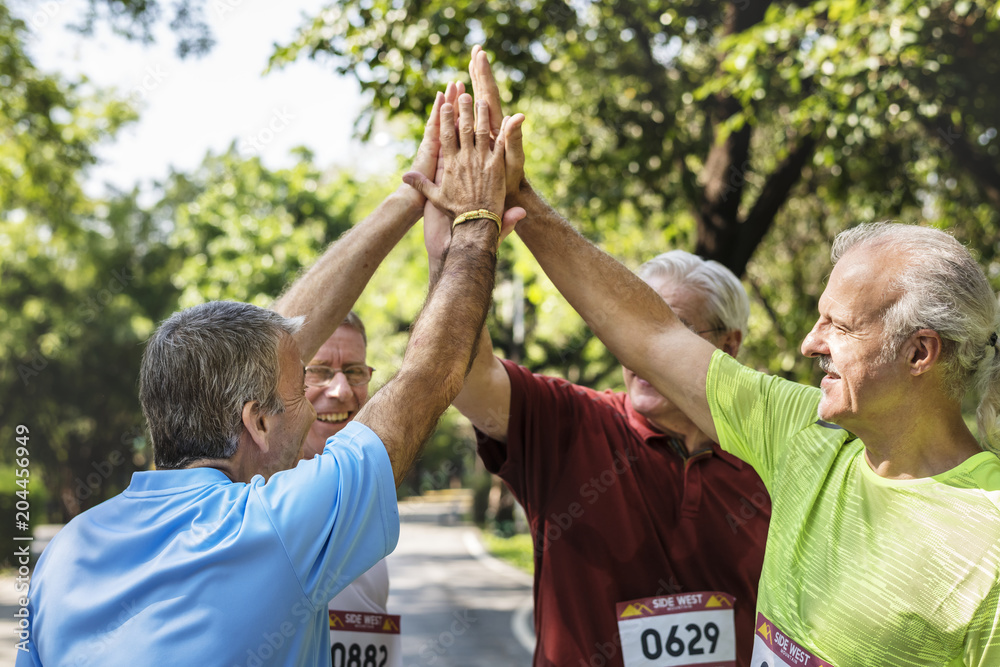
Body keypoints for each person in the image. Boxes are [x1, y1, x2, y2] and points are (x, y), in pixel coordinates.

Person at [409, 53, 1000, 664]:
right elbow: (651, 335)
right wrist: (515, 200)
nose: (810, 343)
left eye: (839, 326)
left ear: (920, 352)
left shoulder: (990, 537)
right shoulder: (800, 435)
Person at [18, 89, 522, 666]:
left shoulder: (66, 552)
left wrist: (408, 200)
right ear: (256, 420)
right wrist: (478, 221)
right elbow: (428, 378)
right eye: (296, 393)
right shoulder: (276, 526)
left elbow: (271, 345)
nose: (315, 404)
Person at [415, 50, 770, 667]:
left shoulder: (775, 448)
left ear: (728, 346)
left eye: (669, 333)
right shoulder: (570, 422)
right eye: (627, 334)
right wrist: (458, 250)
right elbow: (465, 379)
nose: (637, 354)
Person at [302, 314, 398, 665]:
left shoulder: (367, 492)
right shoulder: (249, 500)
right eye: (318, 370)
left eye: (355, 371)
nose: (341, 390)